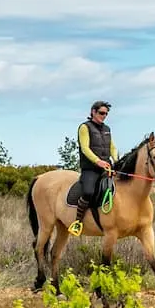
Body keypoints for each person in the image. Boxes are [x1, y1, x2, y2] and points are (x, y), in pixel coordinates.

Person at [68, 100, 118, 237]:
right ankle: (78, 222)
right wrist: (98, 161)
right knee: (89, 191)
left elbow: (112, 147)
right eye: (101, 113)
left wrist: (116, 160)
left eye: (106, 114)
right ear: (93, 112)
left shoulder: (107, 129)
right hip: (90, 169)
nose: (104, 116)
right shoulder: (84, 127)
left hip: (106, 167)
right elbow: (85, 148)